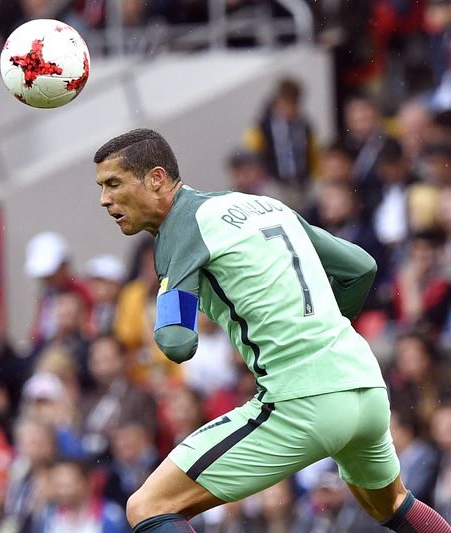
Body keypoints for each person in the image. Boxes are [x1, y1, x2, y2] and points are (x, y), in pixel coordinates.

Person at [91, 128, 451, 532]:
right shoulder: (259, 204)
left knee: (148, 506)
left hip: (300, 401)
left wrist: (165, 291)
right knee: (394, 505)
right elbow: (360, 268)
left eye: (113, 184)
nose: (104, 199)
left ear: (156, 178)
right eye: (101, 187)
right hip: (364, 385)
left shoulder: (181, 230)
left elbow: (177, 343)